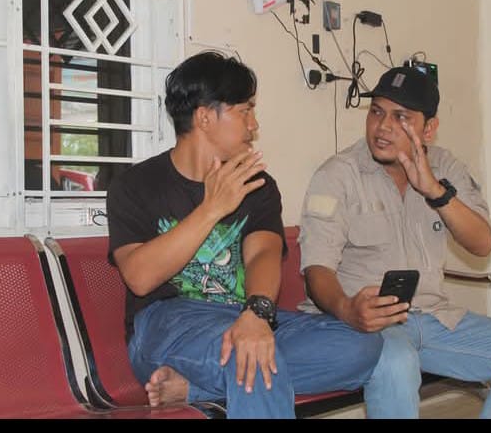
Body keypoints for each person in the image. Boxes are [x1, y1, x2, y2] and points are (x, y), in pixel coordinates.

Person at [107, 51, 383, 419]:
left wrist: (257, 313)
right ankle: (226, 369)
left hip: (242, 315)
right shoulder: (135, 185)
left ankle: (195, 388)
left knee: (362, 346)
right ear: (205, 117)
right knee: (252, 358)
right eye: (245, 110)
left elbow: (263, 255)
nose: (254, 125)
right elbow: (140, 278)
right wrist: (212, 208)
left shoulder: (258, 186)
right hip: (167, 323)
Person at [298, 66, 491, 419]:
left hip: (433, 319)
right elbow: (317, 269)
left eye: (401, 117)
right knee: (397, 360)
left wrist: (435, 191)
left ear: (429, 129)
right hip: (365, 325)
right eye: (376, 112)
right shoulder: (338, 175)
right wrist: (347, 309)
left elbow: (482, 243)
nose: (383, 127)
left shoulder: (445, 167)